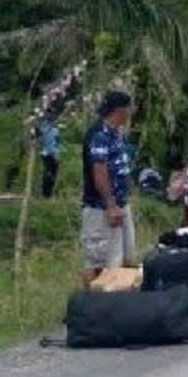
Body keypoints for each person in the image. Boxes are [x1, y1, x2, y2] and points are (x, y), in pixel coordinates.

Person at [81, 91, 136, 285]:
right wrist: (110, 205)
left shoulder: (115, 134)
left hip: (120, 203)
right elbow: (100, 173)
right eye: (129, 109)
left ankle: (116, 298)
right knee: (97, 262)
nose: (130, 113)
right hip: (101, 208)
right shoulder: (99, 135)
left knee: (123, 258)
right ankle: (89, 305)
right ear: (120, 111)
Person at [39, 118, 61, 198]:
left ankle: (47, 193)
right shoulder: (52, 130)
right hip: (50, 154)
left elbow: (57, 143)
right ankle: (47, 193)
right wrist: (55, 153)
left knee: (49, 173)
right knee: (50, 173)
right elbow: (55, 143)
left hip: (46, 153)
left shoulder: (44, 128)